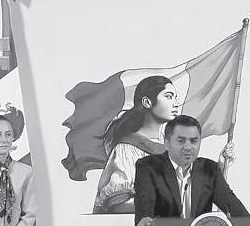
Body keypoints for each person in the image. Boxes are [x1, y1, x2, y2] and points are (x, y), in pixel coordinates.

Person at [93, 75, 234, 214]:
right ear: (147, 102)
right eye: (168, 96)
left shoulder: (172, 146)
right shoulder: (127, 149)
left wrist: (221, 166)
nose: (176, 103)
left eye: (175, 97)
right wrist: (169, 205)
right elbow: (118, 204)